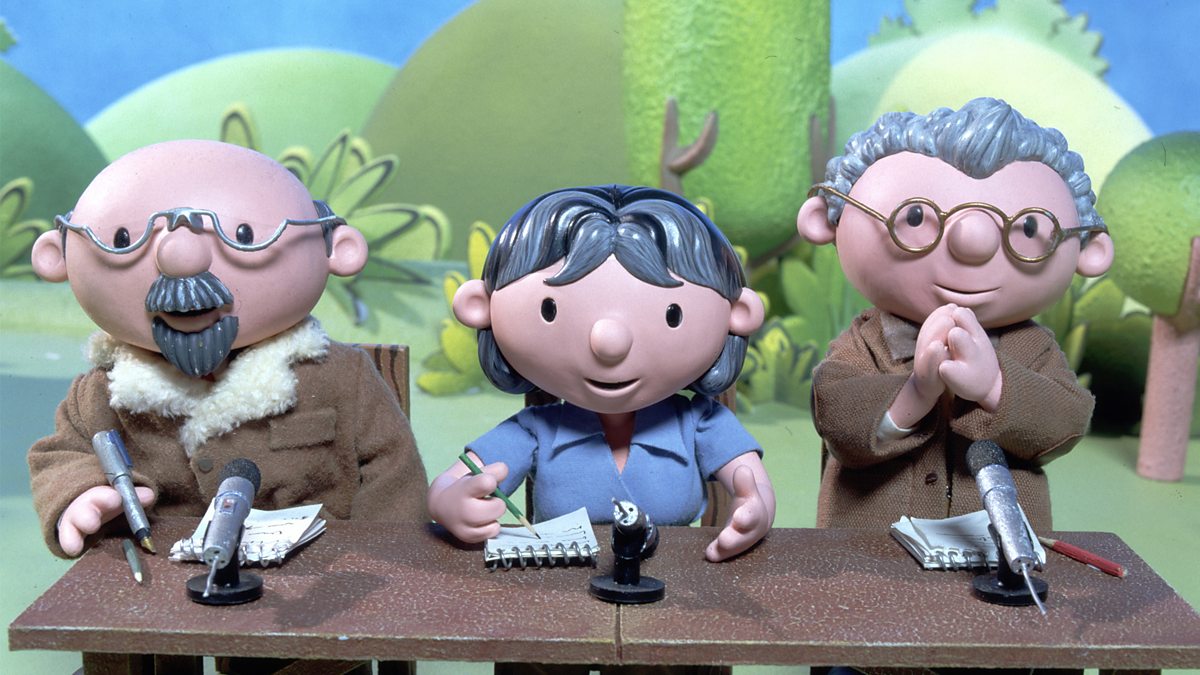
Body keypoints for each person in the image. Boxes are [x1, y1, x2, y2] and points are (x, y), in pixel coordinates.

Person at [28, 139, 428, 559]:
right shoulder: (104, 391)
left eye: (242, 235)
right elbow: (63, 453)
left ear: (339, 250)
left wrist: (382, 559)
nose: (181, 258)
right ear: (57, 256)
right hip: (164, 570)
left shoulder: (340, 376)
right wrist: (81, 493)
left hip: (318, 572)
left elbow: (392, 471)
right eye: (125, 239)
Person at [796, 97, 1114, 531]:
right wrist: (916, 392)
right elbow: (836, 414)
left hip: (995, 544)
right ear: (824, 221)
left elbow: (1065, 421)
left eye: (1027, 227)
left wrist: (994, 386)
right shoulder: (868, 342)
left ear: (1091, 251)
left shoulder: (1033, 349)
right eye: (914, 218)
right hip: (870, 543)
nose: (973, 242)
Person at [428, 185, 774, 562]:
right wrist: (450, 502)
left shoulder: (700, 423)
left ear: (738, 315)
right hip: (562, 578)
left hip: (677, 572)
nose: (610, 343)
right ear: (479, 307)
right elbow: (449, 484)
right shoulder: (536, 430)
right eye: (549, 309)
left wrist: (756, 509)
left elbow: (753, 486)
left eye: (672, 314)